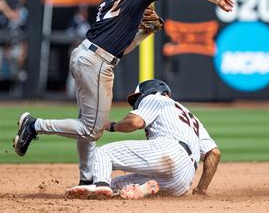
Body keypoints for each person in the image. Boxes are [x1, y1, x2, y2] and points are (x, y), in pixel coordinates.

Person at [13, 0, 233, 188]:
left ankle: (87, 179)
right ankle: (34, 125)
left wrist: (143, 32)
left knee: (86, 123)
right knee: (91, 130)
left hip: (84, 55)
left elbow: (120, 48)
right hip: (97, 63)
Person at [65, 79, 221, 200]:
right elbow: (214, 153)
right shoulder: (192, 118)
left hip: (170, 151)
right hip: (182, 182)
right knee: (116, 184)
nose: (137, 102)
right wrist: (201, 189)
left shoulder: (155, 98)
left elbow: (134, 122)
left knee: (103, 153)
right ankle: (142, 190)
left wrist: (111, 126)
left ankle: (100, 186)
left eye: (138, 97)